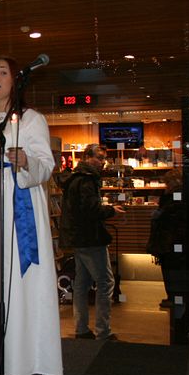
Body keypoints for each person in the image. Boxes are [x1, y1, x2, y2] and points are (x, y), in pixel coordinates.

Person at [0, 57, 63, 375]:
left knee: (21, 280)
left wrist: (26, 161)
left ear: (16, 80)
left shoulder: (32, 119)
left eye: (3, 72)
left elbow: (46, 166)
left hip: (19, 206)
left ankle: (25, 357)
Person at [60, 143, 124, 340]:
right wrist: (112, 210)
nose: (103, 163)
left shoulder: (74, 178)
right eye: (100, 158)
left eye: (104, 159)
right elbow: (90, 210)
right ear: (88, 157)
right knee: (105, 282)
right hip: (91, 237)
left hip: (78, 238)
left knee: (81, 283)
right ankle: (103, 331)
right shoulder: (88, 181)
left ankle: (81, 328)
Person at [146, 168, 184, 309]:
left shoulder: (174, 195)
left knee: (170, 270)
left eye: (167, 182)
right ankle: (176, 297)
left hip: (169, 239)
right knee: (174, 269)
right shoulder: (182, 194)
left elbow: (170, 215)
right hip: (173, 239)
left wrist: (159, 214)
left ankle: (174, 297)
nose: (165, 185)